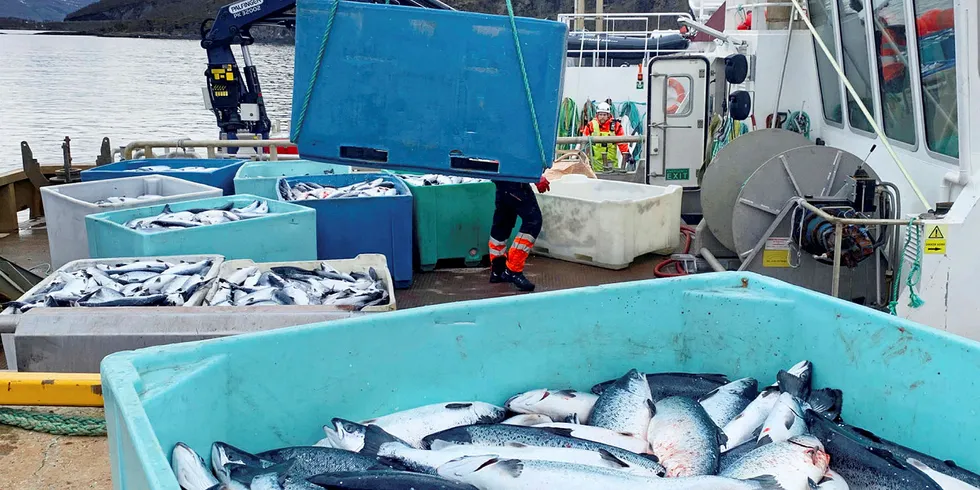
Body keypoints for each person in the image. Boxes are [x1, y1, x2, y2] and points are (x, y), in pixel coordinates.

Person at [488, 175, 550, 292]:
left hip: (501, 177)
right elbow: (521, 157)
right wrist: (536, 176)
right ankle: (513, 270)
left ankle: (498, 270)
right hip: (516, 181)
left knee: (503, 222)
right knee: (533, 221)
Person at [582, 102, 634, 172]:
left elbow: (622, 142)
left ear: (608, 115)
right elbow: (583, 142)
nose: (602, 116)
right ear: (597, 114)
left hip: (611, 162)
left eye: (604, 114)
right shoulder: (591, 125)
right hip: (595, 163)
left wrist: (627, 156)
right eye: (600, 114)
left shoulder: (616, 125)